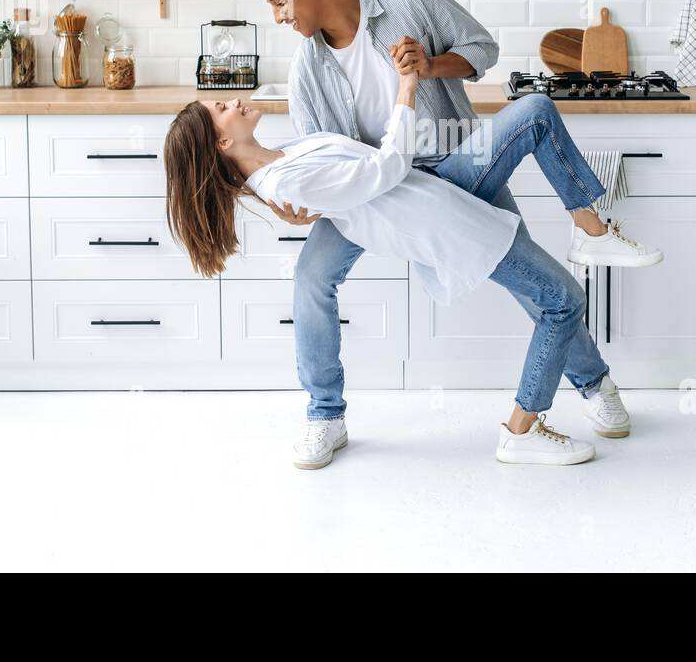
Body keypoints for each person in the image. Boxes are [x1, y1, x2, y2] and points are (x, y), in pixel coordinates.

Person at [252, 0, 661, 468]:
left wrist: (430, 65)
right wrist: (301, 202)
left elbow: (482, 50)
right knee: (310, 275)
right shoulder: (306, 71)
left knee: (537, 286)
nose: (279, 18)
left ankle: (594, 384)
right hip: (378, 194)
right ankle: (325, 415)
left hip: (458, 164)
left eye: (279, 2)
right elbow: (318, 157)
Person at [163, 54, 659, 468]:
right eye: (223, 107)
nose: (235, 100)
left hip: (440, 182)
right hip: (443, 220)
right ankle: (521, 429)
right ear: (224, 142)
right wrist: (407, 86)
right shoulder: (284, 174)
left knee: (534, 110)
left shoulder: (280, 158)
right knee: (561, 301)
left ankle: (591, 233)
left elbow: (332, 172)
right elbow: (386, 167)